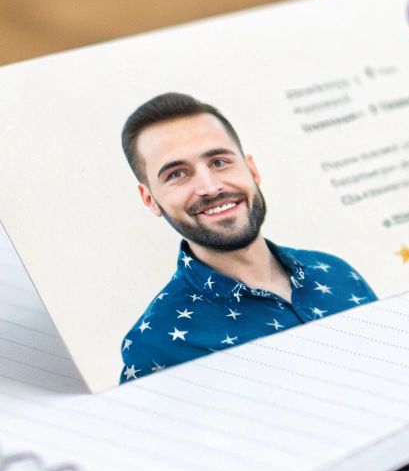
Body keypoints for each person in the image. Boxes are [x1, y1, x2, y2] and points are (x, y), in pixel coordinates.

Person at [117, 92, 376, 383]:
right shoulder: (155, 346)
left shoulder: (338, 273)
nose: (210, 187)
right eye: (177, 174)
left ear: (251, 169)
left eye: (218, 162)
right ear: (149, 199)